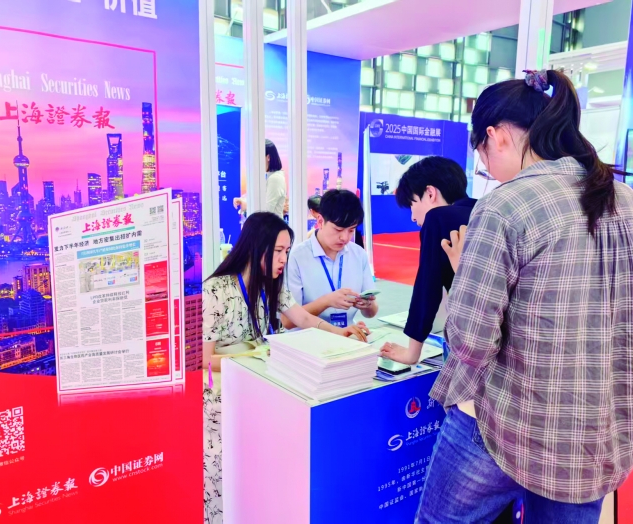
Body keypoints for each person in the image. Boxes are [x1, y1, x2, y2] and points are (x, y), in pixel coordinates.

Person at [414, 69, 633, 524]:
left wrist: (465, 272)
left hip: (504, 424)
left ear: (495, 136)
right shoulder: (630, 202)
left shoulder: (505, 204)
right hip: (598, 433)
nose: (486, 167)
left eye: (481, 154)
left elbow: (471, 341)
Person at [203, 212, 367, 524]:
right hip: (223, 398)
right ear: (255, 246)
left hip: (261, 387)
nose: (283, 259)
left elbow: (302, 318)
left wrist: (339, 333)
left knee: (258, 477)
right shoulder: (216, 290)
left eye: (287, 251)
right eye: (278, 251)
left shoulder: (272, 284)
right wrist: (253, 357)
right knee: (224, 478)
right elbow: (203, 361)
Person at [380, 156, 475, 365]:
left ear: (430, 193)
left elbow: (427, 287)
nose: (413, 217)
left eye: (412, 204)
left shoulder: (438, 217)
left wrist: (411, 353)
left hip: (469, 340)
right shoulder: (483, 210)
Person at [282, 189, 378, 330]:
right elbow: (287, 321)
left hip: (346, 335)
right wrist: (326, 301)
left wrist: (367, 305)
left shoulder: (359, 254)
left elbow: (371, 313)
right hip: (307, 338)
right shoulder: (297, 257)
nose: (345, 237)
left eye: (351, 230)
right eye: (338, 230)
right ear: (320, 221)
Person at [265, 139, 286, 218]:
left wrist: (246, 205)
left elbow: (267, 210)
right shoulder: (271, 176)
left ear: (268, 157)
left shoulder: (275, 178)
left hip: (272, 225)